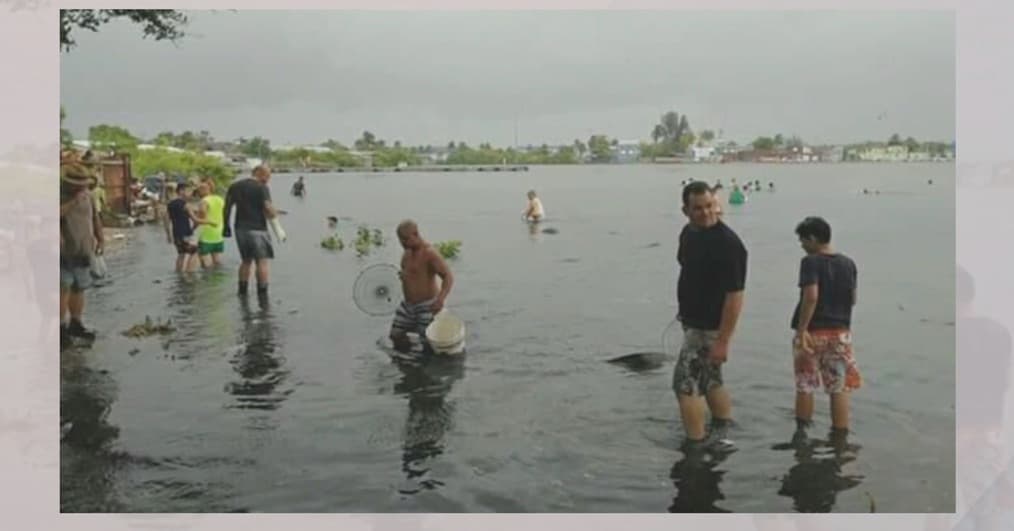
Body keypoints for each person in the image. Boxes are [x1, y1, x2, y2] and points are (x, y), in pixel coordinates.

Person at [673, 181, 747, 453]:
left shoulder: (729, 244)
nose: (705, 213)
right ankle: (723, 428)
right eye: (698, 208)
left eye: (709, 206)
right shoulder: (688, 234)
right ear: (686, 210)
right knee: (711, 379)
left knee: (684, 385)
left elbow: (735, 295)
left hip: (710, 326)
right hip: (692, 321)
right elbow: (687, 268)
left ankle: (695, 445)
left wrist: (724, 340)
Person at [789, 216, 861, 445]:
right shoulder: (849, 264)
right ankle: (840, 438)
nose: (802, 245)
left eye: (803, 240)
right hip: (840, 332)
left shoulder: (810, 262)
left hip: (813, 332)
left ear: (812, 239)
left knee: (805, 384)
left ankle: (801, 435)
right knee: (838, 387)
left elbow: (811, 297)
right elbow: (853, 299)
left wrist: (802, 330)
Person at [389, 220, 455, 355]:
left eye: (405, 239)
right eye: (400, 240)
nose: (403, 243)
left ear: (416, 234)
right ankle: (405, 362)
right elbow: (411, 273)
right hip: (407, 305)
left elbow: (448, 277)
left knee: (427, 343)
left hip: (427, 305)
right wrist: (404, 276)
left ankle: (425, 367)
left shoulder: (430, 254)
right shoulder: (406, 253)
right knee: (396, 335)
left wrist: (440, 299)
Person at [59, 161, 104, 349]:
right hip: (63, 251)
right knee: (64, 287)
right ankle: (61, 329)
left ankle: (76, 323)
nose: (82, 187)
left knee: (80, 287)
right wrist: (73, 201)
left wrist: (100, 238)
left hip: (84, 248)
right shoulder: (59, 196)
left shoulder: (89, 196)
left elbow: (95, 217)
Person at [224, 165, 279, 298]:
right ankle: (262, 294)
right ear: (260, 173)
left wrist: (226, 226)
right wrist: (275, 216)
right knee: (262, 261)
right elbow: (268, 207)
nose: (268, 180)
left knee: (246, 260)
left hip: (240, 229)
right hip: (258, 229)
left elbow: (227, 207)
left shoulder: (234, 186)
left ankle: (242, 291)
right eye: (267, 176)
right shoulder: (262, 187)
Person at [166, 182, 203, 272]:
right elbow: (195, 220)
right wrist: (209, 222)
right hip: (186, 234)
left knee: (181, 254)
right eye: (188, 191)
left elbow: (166, 221)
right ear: (181, 191)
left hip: (176, 234)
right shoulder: (185, 204)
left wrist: (168, 235)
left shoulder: (170, 204)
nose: (190, 193)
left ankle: (179, 275)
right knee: (194, 253)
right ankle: (190, 274)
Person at [195, 182, 226, 268]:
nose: (198, 193)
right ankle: (217, 276)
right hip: (219, 232)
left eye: (199, 191)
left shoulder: (204, 201)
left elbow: (202, 216)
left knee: (202, 257)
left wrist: (193, 228)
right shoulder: (220, 199)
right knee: (216, 259)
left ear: (203, 190)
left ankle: (206, 278)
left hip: (206, 233)